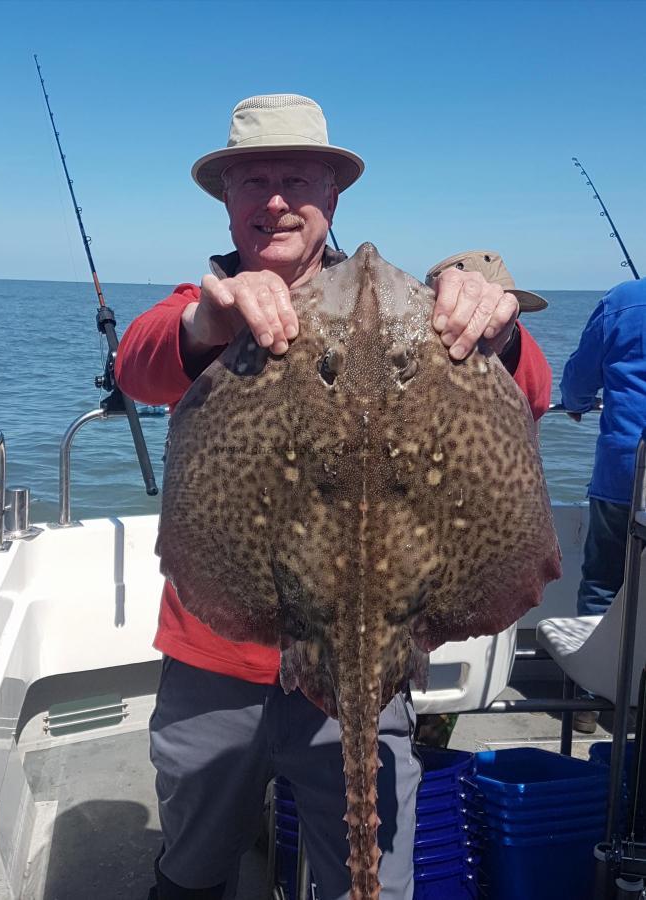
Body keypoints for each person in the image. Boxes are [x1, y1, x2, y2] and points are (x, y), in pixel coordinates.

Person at [115, 94, 553, 900]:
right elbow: (139, 363)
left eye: (295, 179)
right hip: (218, 650)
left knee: (372, 873)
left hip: (378, 650)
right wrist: (203, 328)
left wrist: (500, 331)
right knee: (193, 861)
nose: (275, 199)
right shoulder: (202, 305)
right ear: (226, 200)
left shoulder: (416, 320)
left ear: (332, 195)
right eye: (253, 182)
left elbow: (526, 395)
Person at [415, 250, 551, 748]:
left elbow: (535, 391)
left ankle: (426, 768)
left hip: (464, 574)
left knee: (419, 737)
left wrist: (508, 340)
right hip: (411, 572)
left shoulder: (510, 361)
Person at [560, 277, 646, 734]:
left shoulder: (624, 300)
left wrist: (575, 403)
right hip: (627, 470)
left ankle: (591, 700)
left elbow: (579, 376)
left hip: (625, 472)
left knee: (603, 581)